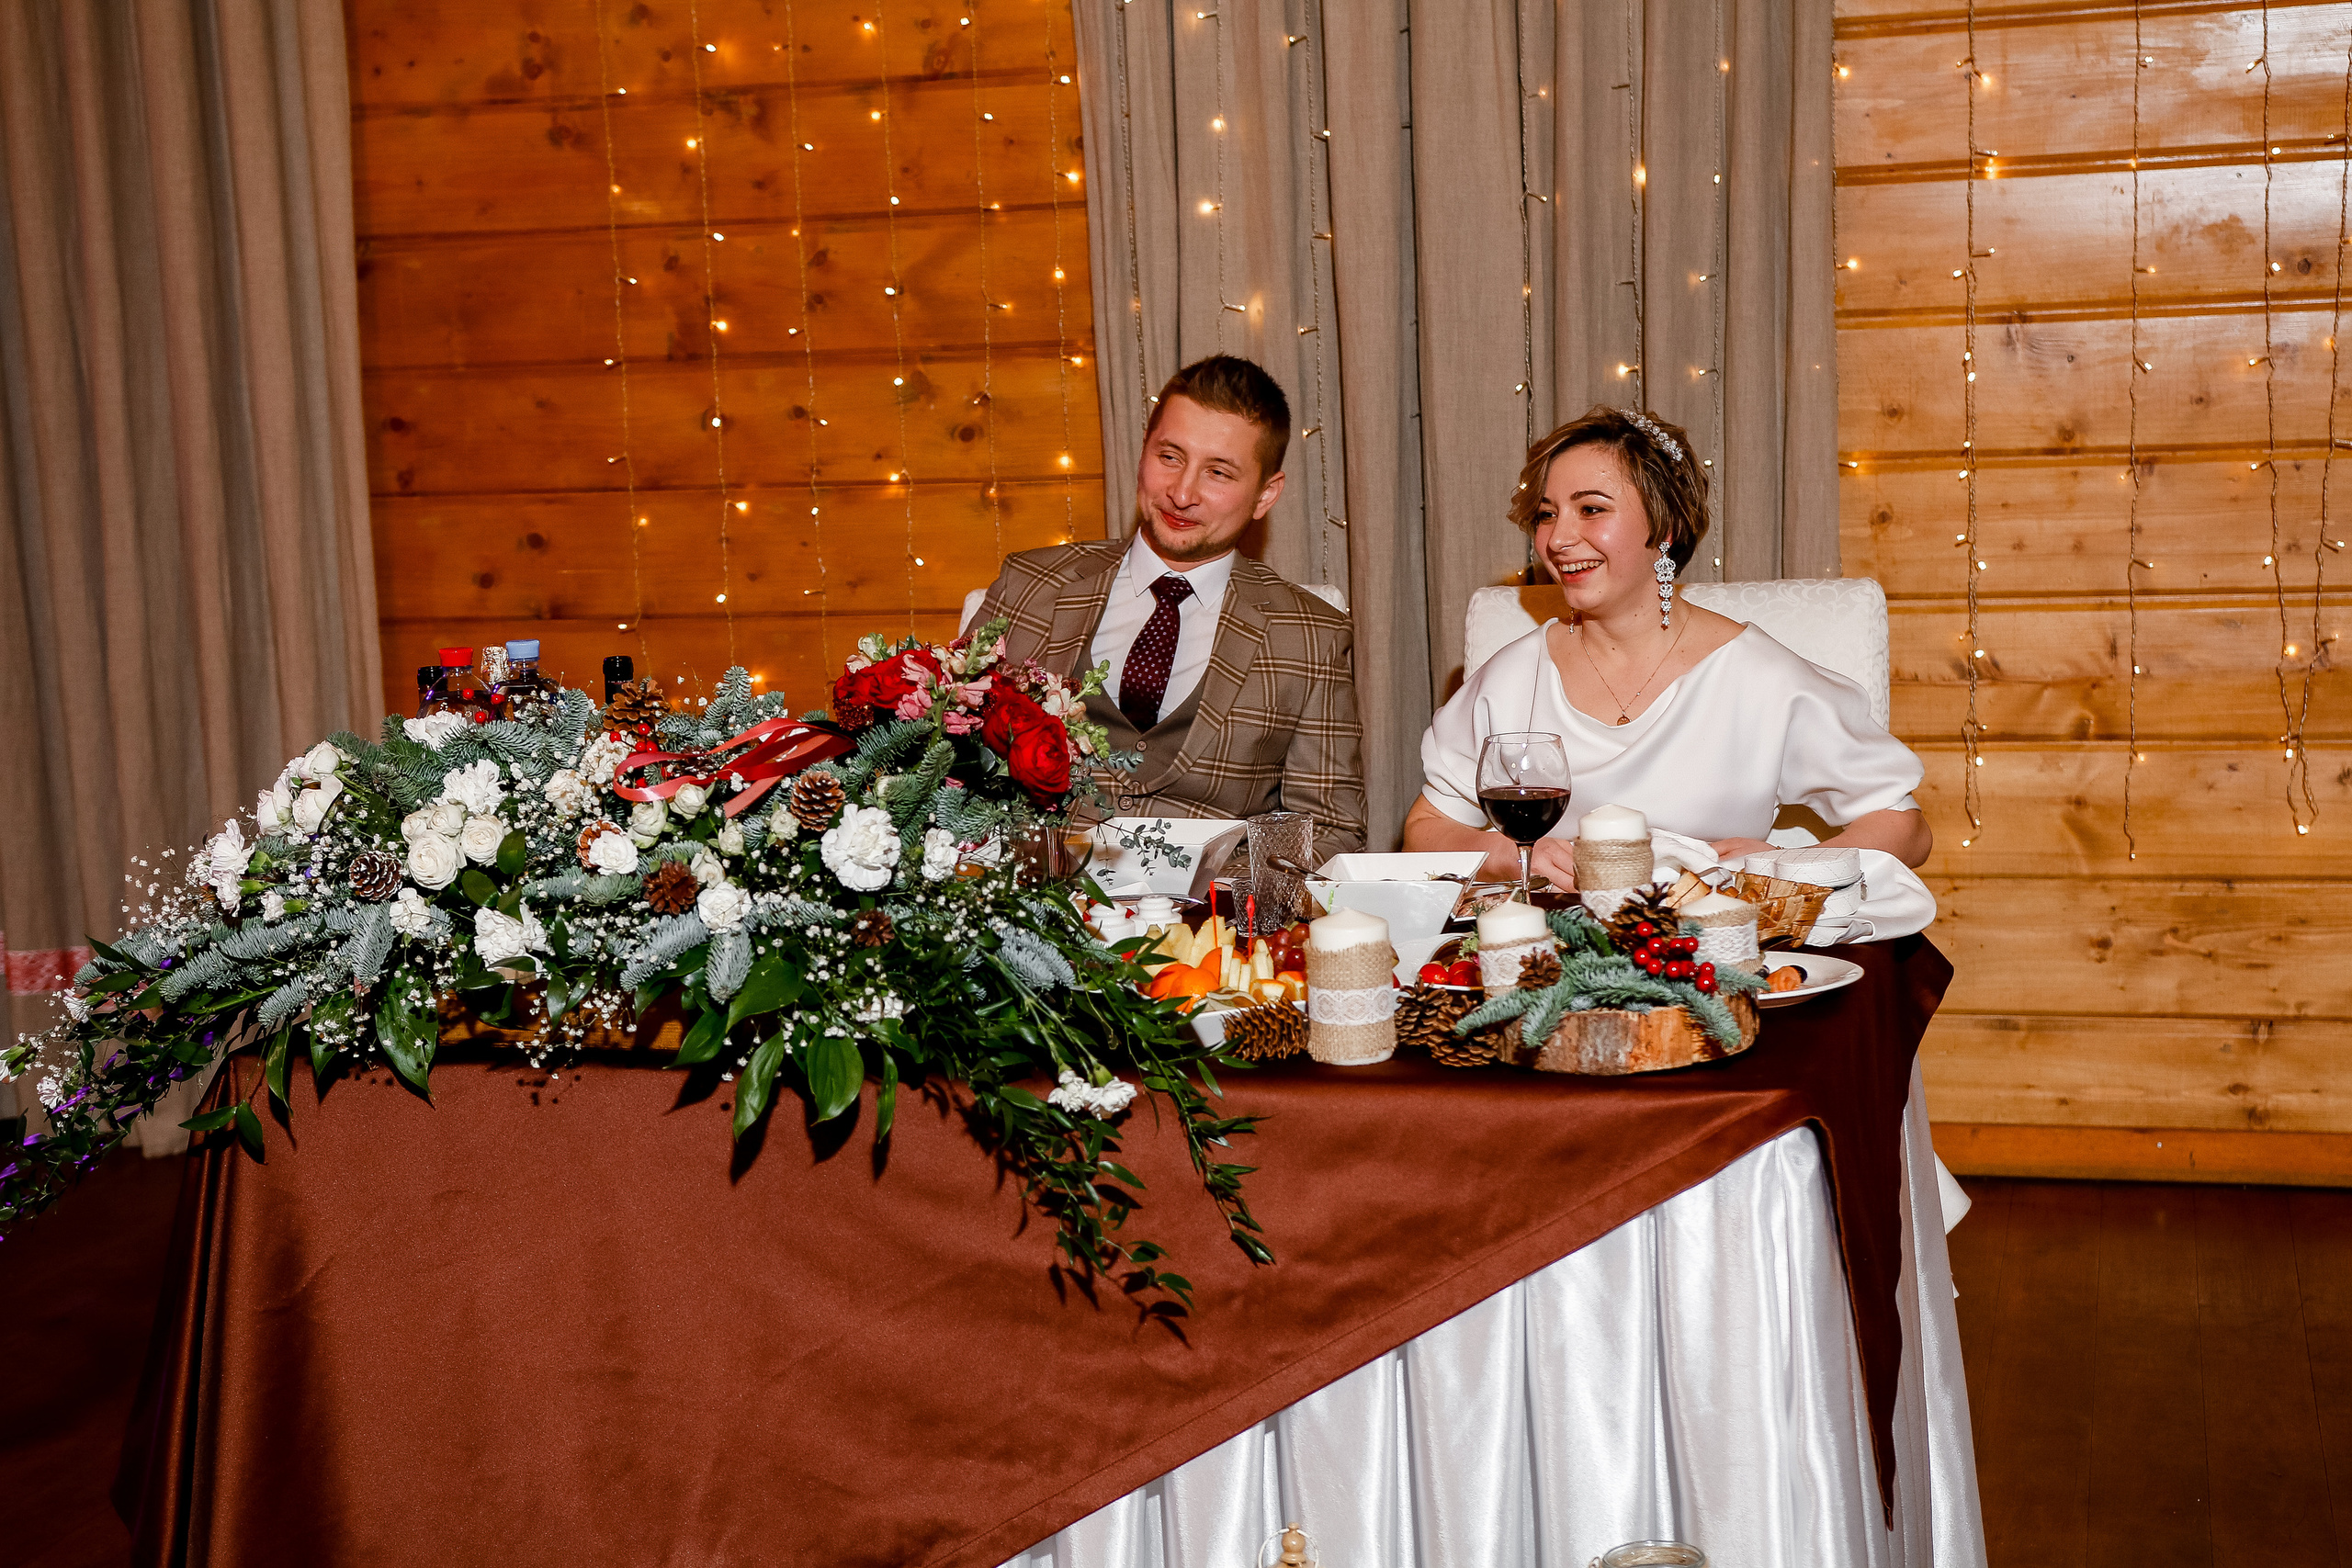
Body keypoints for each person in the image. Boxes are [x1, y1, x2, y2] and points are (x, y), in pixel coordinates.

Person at [1402, 405, 1931, 884]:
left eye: (1590, 509)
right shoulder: (1514, 678)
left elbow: (1906, 828)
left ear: (1668, 525)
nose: (1557, 540)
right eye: (1547, 513)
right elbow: (1426, 830)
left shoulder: (1759, 678)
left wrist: (1784, 866)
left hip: (1714, 960)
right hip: (1553, 959)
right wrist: (1508, 855)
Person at [971, 354, 1368, 856]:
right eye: (1169, 457)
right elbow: (943, 762)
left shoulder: (1313, 636)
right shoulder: (1032, 583)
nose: (1181, 494)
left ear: (1266, 495)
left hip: (1209, 923)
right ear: (1143, 452)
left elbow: (1331, 833)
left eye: (1219, 473)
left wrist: (1216, 894)